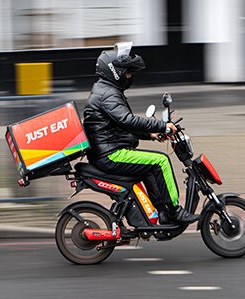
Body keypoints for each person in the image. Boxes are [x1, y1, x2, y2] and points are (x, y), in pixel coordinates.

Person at [82, 42, 199, 225]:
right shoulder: (108, 94)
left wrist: (150, 134)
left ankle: (162, 212)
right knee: (161, 161)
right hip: (111, 154)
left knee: (150, 169)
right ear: (116, 72)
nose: (129, 76)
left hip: (108, 150)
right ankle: (175, 211)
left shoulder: (106, 90)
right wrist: (163, 126)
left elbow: (121, 126)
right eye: (127, 72)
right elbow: (128, 120)